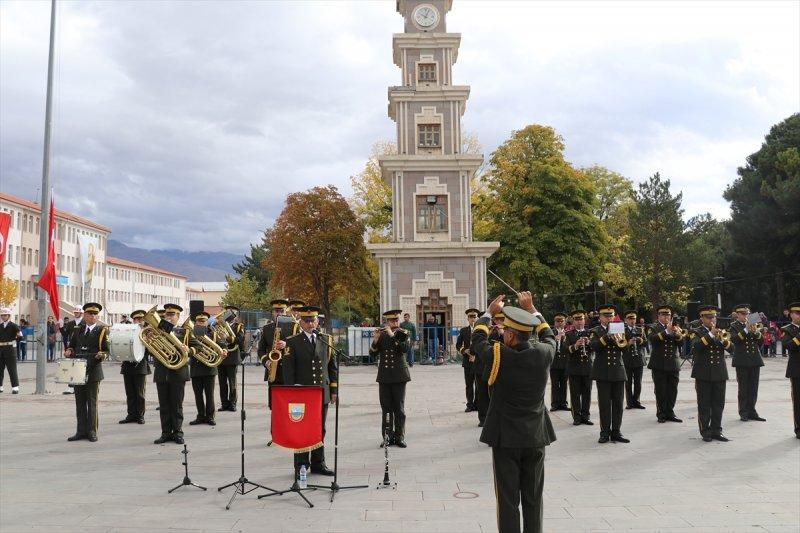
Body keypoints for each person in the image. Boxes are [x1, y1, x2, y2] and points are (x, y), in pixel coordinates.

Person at [471, 292, 556, 533]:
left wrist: (488, 313)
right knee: (533, 498)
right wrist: (532, 309)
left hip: (506, 437)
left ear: (509, 335)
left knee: (508, 500)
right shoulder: (544, 353)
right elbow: (549, 336)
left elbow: (478, 341)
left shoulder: (499, 354)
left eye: (505, 331)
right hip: (536, 436)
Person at [282, 305, 337, 476]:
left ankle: (318, 463)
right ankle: (301, 465)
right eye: (306, 321)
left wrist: (334, 390)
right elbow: (288, 371)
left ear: (317, 321)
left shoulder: (325, 339)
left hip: (322, 391)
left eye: (312, 320)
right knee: (301, 429)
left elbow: (332, 366)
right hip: (302, 393)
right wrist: (291, 391)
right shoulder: (292, 341)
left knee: (320, 428)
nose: (310, 324)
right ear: (300, 322)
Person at [153, 303, 198, 445]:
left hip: (178, 373)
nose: (169, 317)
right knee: (164, 405)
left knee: (177, 405)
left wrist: (188, 350)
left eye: (172, 315)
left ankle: (178, 432)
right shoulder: (158, 331)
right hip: (162, 372)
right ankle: (165, 433)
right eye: (167, 314)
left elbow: (198, 347)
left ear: (178, 317)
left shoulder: (184, 332)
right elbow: (149, 350)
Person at [64, 303, 109, 442]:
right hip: (78, 369)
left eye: (95, 314)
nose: (93, 316)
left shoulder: (102, 330)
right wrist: (69, 351)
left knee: (92, 402)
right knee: (80, 402)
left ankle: (92, 431)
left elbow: (106, 350)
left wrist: (102, 355)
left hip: (93, 370)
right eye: (90, 314)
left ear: (98, 316)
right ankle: (80, 431)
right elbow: (71, 345)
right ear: (85, 315)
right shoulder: (78, 329)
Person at [690, 305, 732, 442]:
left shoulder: (722, 331)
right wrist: (711, 334)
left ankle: (716, 430)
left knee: (718, 404)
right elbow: (696, 346)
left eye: (713, 317)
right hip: (703, 373)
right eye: (708, 317)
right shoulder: (696, 331)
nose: (712, 319)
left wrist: (723, 340)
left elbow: (733, 349)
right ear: (702, 318)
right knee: (704, 404)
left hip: (719, 372)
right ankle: (705, 430)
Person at [369, 309, 411, 447]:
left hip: (399, 375)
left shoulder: (403, 333)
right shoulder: (381, 335)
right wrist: (375, 340)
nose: (394, 322)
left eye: (396, 320)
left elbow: (404, 349)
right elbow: (372, 354)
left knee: (399, 409)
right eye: (392, 320)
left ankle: (399, 437)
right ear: (387, 321)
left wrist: (392, 335)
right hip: (385, 376)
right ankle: (387, 436)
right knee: (386, 409)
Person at [590, 304, 629, 444]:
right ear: (600, 317)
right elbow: (592, 346)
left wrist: (620, 339)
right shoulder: (595, 330)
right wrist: (606, 337)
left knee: (618, 404)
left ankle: (616, 432)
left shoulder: (620, 329)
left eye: (611, 315)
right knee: (604, 404)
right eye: (606, 316)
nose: (609, 318)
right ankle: (604, 432)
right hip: (603, 372)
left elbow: (626, 349)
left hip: (618, 371)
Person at [729, 303, 766, 422]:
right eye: (744, 314)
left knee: (754, 387)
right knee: (743, 387)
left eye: (748, 314)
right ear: (738, 315)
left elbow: (761, 342)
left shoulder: (754, 325)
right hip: (742, 360)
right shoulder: (733, 326)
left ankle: (752, 411)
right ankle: (743, 411)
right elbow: (735, 340)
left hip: (755, 359)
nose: (746, 316)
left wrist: (757, 332)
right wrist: (746, 329)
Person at [647, 305, 683, 423]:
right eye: (663, 315)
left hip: (673, 363)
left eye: (668, 315)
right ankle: (661, 413)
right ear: (658, 316)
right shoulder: (653, 327)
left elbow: (681, 343)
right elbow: (652, 339)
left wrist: (677, 334)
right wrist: (666, 331)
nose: (666, 317)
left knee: (673, 390)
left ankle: (670, 412)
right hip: (659, 364)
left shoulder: (676, 327)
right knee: (660, 390)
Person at [257, 299, 294, 409]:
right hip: (273, 370)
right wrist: (266, 361)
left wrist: (287, 344)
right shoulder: (267, 328)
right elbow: (261, 350)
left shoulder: (293, 327)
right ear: (272, 313)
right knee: (274, 403)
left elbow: (300, 347)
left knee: (288, 403)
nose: (279, 314)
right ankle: (275, 425)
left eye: (281, 311)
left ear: (285, 312)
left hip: (289, 370)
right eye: (276, 311)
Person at [189, 311, 223, 426]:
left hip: (209, 368)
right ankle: (200, 416)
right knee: (198, 395)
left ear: (207, 322)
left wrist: (224, 351)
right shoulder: (190, 333)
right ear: (195, 322)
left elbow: (222, 345)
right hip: (195, 368)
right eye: (198, 321)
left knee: (209, 394)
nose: (200, 323)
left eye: (203, 321)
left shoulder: (213, 333)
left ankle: (210, 416)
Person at [119, 309, 151, 424]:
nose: (138, 321)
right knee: (130, 393)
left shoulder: (147, 333)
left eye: (140, 319)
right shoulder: (128, 331)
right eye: (136, 319)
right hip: (127, 365)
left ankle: (140, 415)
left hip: (140, 366)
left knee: (139, 393)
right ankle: (131, 414)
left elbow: (150, 351)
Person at [566, 310, 593, 426]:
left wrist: (589, 343)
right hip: (574, 368)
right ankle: (576, 417)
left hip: (587, 368)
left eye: (581, 319)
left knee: (587, 394)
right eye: (576, 319)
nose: (579, 322)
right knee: (575, 394)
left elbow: (596, 348)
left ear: (584, 320)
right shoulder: (569, 334)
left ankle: (585, 416)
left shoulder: (590, 333)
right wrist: (576, 346)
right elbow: (565, 350)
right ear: (573, 321)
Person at [218, 305, 245, 412]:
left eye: (232, 312)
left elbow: (240, 340)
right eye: (227, 312)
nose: (229, 314)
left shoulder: (238, 326)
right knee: (222, 382)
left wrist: (227, 337)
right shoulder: (220, 325)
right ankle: (224, 403)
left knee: (232, 382)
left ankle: (232, 403)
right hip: (221, 356)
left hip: (232, 356)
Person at [780, 302, 800, 439]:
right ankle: (798, 428)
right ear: (791, 314)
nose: (799, 316)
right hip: (796, 369)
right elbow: (788, 346)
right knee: (798, 400)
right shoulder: (787, 329)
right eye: (797, 313)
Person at [456, 308, 479, 413]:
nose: (473, 319)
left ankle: (477, 404)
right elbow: (458, 345)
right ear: (468, 319)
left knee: (479, 385)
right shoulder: (463, 330)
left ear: (477, 318)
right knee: (469, 384)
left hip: (478, 361)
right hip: (467, 361)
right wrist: (465, 351)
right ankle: (469, 404)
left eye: (474, 317)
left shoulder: (481, 330)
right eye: (471, 317)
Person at [622, 310, 647, 409]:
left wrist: (640, 340)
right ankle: (629, 403)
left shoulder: (640, 329)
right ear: (625, 320)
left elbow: (646, 343)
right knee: (628, 383)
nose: (632, 321)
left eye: (634, 319)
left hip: (638, 359)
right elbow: (620, 344)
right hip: (627, 359)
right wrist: (628, 343)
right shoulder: (622, 330)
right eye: (630, 319)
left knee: (638, 383)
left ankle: (636, 401)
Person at [59, 307, 84, 395]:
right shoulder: (71, 323)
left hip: (82, 348)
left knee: (80, 368)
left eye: (78, 312)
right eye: (75, 312)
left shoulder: (84, 323)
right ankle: (71, 387)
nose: (76, 313)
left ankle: (80, 387)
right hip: (72, 348)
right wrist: (61, 327)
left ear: (81, 313)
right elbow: (65, 335)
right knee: (71, 367)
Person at [549, 312, 569, 412]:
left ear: (565, 322)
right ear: (554, 322)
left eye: (562, 321)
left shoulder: (569, 332)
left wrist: (564, 338)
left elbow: (569, 347)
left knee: (564, 384)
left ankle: (563, 403)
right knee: (555, 384)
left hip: (565, 362)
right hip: (554, 362)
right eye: (558, 321)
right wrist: (555, 340)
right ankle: (555, 404)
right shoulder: (550, 332)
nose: (560, 323)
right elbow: (546, 344)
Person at [0, 308, 22, 394]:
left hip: (10, 349)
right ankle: (0, 386)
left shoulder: (14, 326)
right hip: (1, 349)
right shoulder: (0, 326)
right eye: (2, 315)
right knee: (0, 369)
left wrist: (14, 341)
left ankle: (15, 387)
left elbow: (20, 336)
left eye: (5, 315)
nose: (3, 317)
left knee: (12, 369)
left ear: (9, 316)